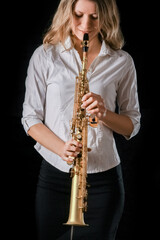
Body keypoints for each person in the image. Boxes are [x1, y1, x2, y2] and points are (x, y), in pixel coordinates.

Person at [21, 0, 141, 239]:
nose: (86, 24)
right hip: (55, 177)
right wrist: (62, 148)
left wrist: (104, 113)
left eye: (95, 17)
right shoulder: (45, 56)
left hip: (104, 181)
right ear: (67, 12)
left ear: (106, 17)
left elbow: (132, 124)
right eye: (78, 14)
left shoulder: (122, 61)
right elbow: (30, 118)